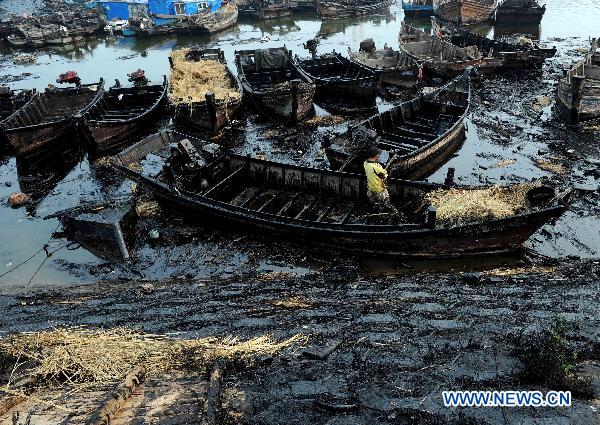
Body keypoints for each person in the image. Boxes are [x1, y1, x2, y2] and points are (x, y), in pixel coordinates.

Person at [363, 146, 400, 215]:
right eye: (378, 155)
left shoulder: (365, 163)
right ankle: (383, 215)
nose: (379, 156)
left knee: (374, 203)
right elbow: (384, 176)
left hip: (370, 188)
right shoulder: (376, 167)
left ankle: (375, 212)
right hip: (379, 190)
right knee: (385, 204)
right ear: (376, 155)